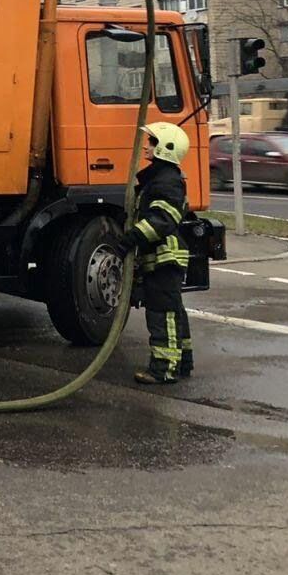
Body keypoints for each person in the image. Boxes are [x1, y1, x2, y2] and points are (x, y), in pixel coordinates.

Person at [111, 121, 193, 384]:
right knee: (173, 311)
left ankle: (163, 369)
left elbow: (162, 221)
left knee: (162, 314)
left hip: (164, 258)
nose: (147, 146)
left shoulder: (166, 181)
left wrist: (129, 240)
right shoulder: (162, 178)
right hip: (162, 259)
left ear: (165, 149)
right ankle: (182, 363)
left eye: (153, 142)